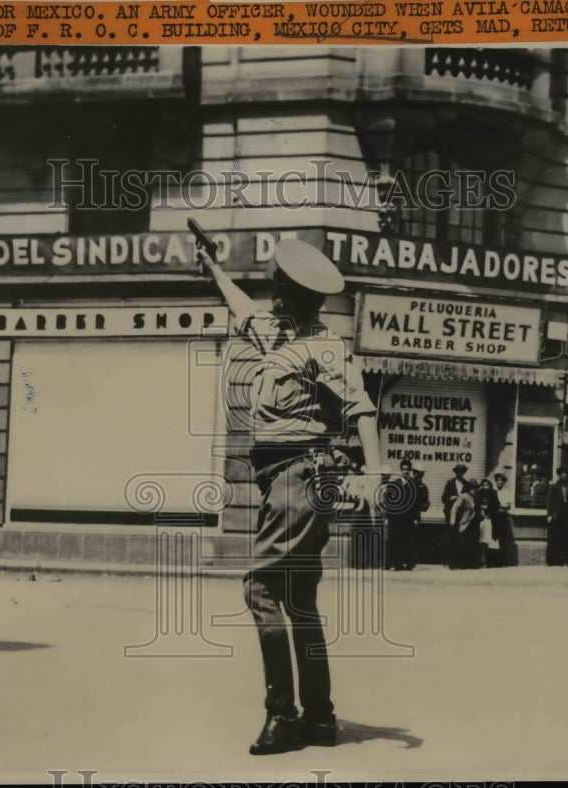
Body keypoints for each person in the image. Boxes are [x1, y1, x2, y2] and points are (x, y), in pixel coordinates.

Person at [197, 237, 382, 755]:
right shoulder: (274, 332)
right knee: (299, 600)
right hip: (282, 477)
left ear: (294, 294)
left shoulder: (324, 346)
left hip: (300, 474)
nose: (272, 294)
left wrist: (375, 473)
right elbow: (241, 305)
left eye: (279, 286)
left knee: (260, 589)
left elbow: (363, 410)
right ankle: (320, 720)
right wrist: (212, 268)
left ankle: (283, 717)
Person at [383, 458, 425, 571]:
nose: (405, 471)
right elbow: (389, 502)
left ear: (410, 470)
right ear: (400, 470)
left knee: (409, 541)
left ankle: (409, 564)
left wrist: (417, 517)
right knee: (395, 540)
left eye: (407, 469)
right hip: (396, 518)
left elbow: (417, 503)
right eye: (403, 469)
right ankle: (395, 564)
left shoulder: (414, 484)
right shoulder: (393, 484)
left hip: (409, 518)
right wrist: (387, 517)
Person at [441, 463, 471, 565]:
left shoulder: (467, 484)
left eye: (462, 471)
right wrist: (451, 498)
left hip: (462, 515)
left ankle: (457, 560)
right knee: (450, 536)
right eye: (458, 471)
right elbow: (443, 498)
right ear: (455, 472)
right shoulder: (450, 483)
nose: (460, 473)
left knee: (460, 537)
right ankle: (447, 560)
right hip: (450, 513)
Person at [546, 467, 568, 566]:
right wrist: (549, 515)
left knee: (566, 538)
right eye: (562, 474)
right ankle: (555, 560)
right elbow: (549, 502)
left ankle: (566, 559)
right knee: (556, 538)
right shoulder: (554, 487)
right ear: (559, 475)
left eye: (566, 474)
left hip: (567, 517)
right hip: (556, 516)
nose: (564, 475)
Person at [448, 479, 478, 569]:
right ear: (469, 488)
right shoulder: (464, 496)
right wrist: (452, 519)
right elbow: (455, 508)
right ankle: (453, 564)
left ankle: (465, 564)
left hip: (472, 523)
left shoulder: (475, 497)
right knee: (460, 544)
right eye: (472, 487)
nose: (474, 489)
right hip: (464, 523)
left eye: (475, 487)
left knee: (469, 544)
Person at [472, 477, 501, 569]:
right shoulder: (478, 494)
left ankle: (489, 561)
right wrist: (481, 508)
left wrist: (488, 509)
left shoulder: (493, 493)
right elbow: (475, 505)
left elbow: (496, 505)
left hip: (491, 520)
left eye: (487, 485)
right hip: (481, 520)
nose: (485, 487)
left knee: (490, 541)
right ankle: (481, 560)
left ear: (490, 485)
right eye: (483, 485)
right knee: (482, 541)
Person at [492, 472, 519, 567]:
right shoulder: (492, 491)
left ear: (504, 482)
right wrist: (498, 506)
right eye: (498, 480)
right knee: (494, 539)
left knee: (504, 540)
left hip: (503, 518)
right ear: (496, 481)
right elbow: (491, 505)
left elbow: (508, 505)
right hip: (494, 518)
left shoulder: (507, 492)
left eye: (501, 480)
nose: (500, 482)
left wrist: (498, 506)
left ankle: (504, 562)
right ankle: (495, 562)